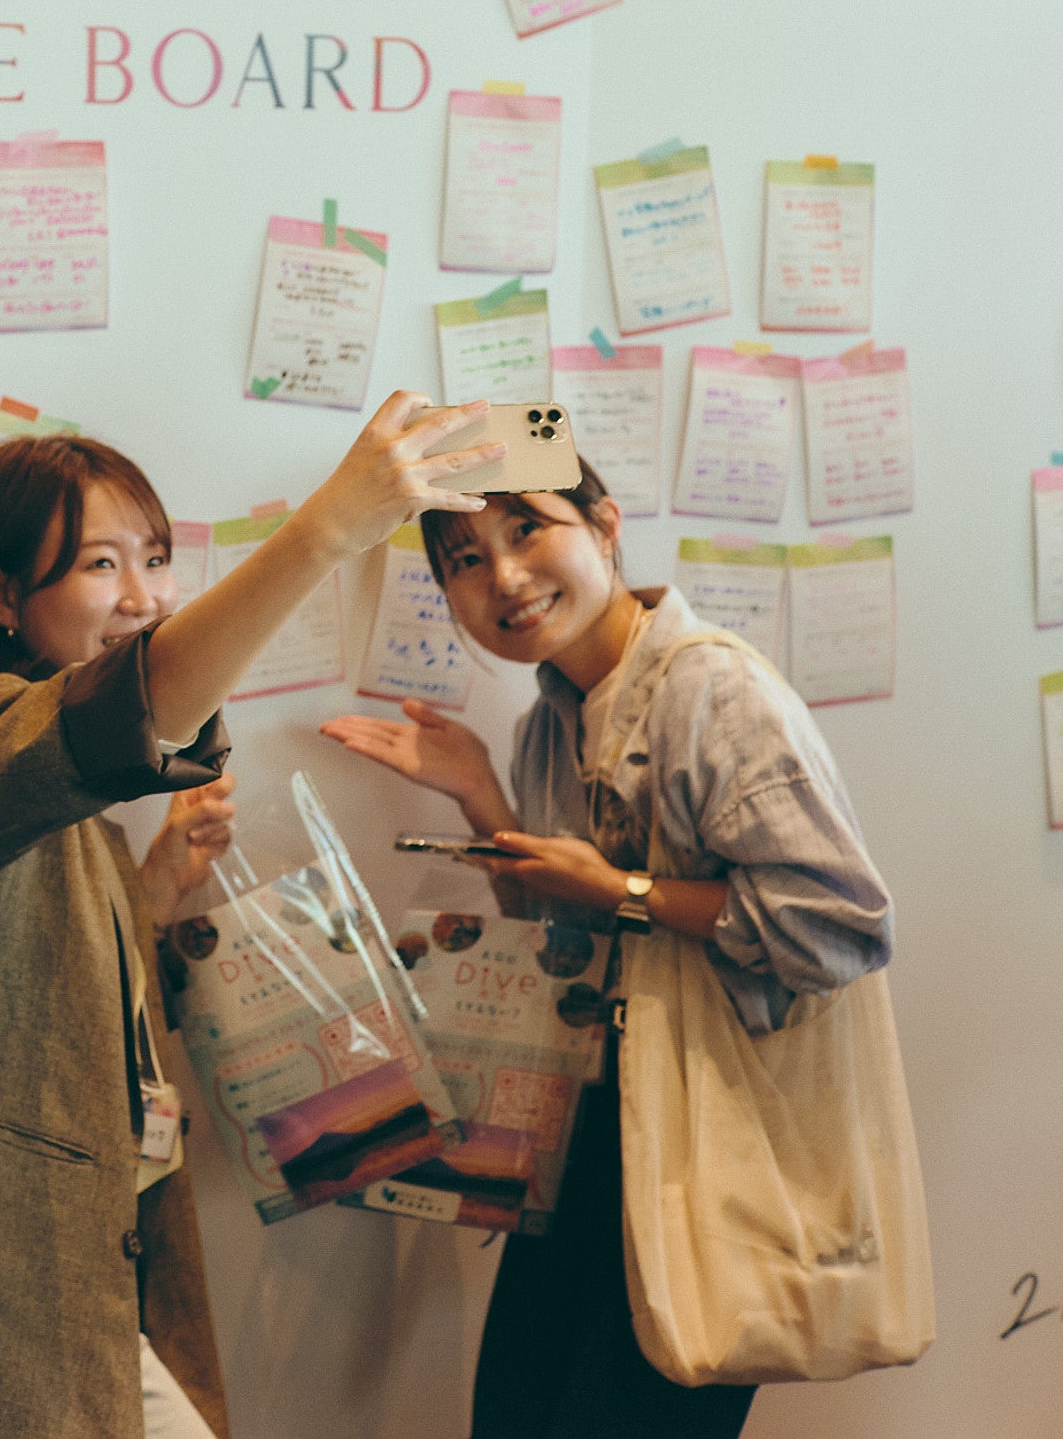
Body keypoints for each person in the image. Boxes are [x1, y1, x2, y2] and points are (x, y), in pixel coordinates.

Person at [0, 393, 501, 1439]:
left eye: (154, 559)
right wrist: (327, 529)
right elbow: (122, 714)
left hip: (58, 1321)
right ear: (0, 593)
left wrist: (152, 893)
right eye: (100, 564)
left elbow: (40, 989)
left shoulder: (75, 821)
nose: (143, 596)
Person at [320, 459, 896, 1439]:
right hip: (592, 1141)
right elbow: (565, 954)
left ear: (604, 526)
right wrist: (485, 799)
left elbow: (841, 924)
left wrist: (623, 890)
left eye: (526, 530)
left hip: (703, 1150)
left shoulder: (714, 691)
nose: (503, 577)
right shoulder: (548, 726)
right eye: (464, 560)